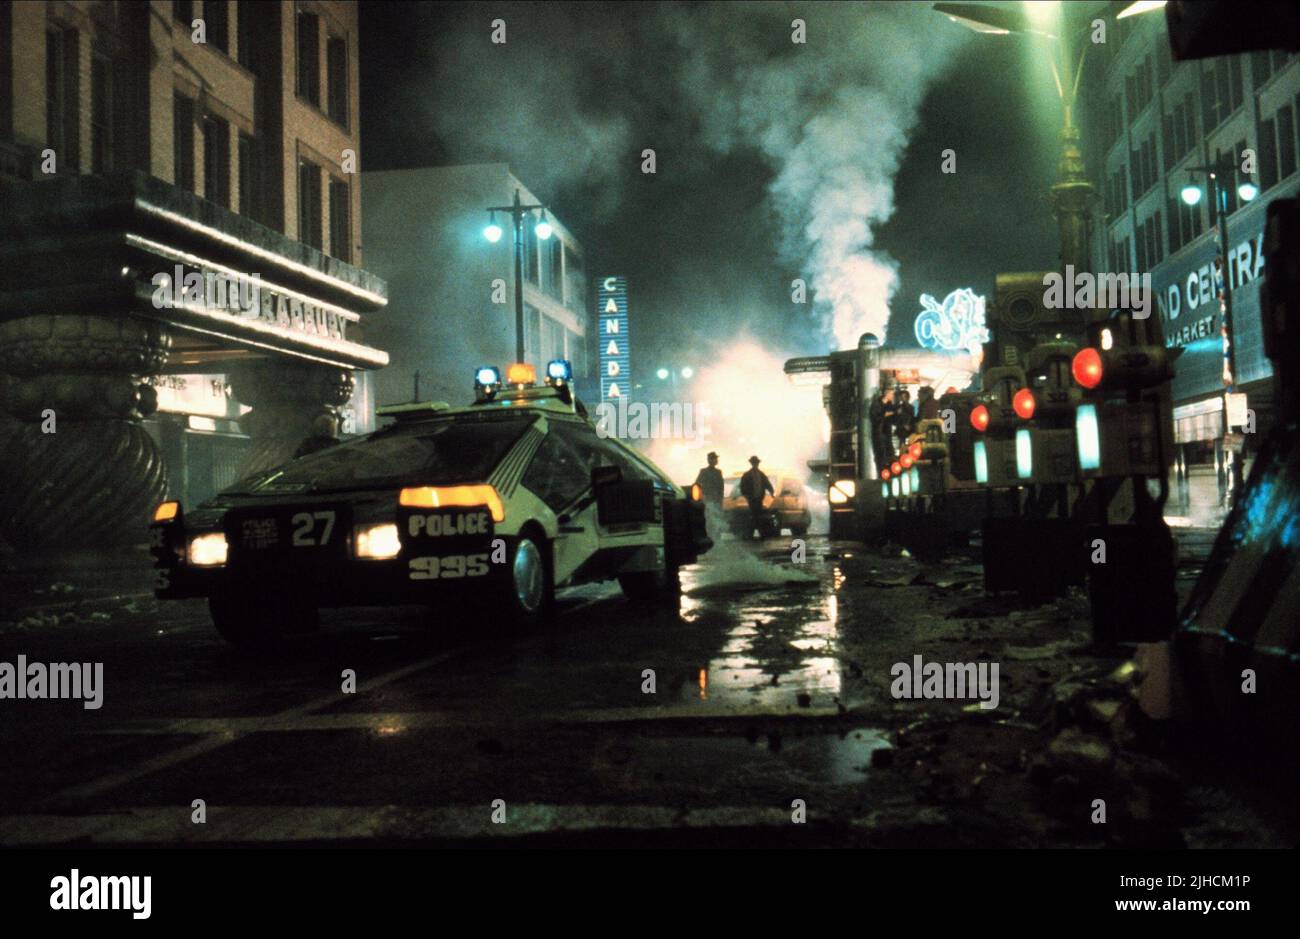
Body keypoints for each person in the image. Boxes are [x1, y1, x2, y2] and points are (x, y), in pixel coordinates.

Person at [740, 455, 774, 539]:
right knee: (754, 516)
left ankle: (758, 533)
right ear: (752, 463)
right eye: (754, 463)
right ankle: (753, 534)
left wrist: (771, 491)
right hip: (752, 499)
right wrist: (747, 496)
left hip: (759, 498)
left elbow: (767, 484)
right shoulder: (747, 475)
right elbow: (742, 487)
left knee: (757, 516)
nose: (755, 464)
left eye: (756, 463)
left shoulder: (761, 474)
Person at [693, 451, 724, 537]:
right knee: (710, 518)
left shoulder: (718, 472)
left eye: (716, 458)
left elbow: (721, 487)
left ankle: (715, 535)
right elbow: (697, 484)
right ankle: (710, 534)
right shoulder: (704, 471)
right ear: (710, 460)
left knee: (715, 518)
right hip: (708, 499)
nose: (716, 460)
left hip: (714, 500)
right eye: (714, 458)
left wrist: (720, 499)